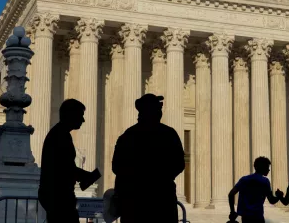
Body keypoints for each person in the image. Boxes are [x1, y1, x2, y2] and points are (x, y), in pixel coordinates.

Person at [112, 94, 185, 223]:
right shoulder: (168, 134)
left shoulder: (128, 136)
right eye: (158, 108)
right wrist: (162, 177)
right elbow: (179, 164)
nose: (160, 112)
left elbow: (117, 167)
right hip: (161, 199)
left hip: (134, 201)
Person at [38, 99, 95, 223]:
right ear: (71, 115)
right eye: (81, 116)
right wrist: (87, 176)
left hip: (57, 196)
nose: (83, 120)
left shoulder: (59, 133)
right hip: (59, 197)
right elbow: (64, 168)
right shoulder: (60, 135)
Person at [228, 157, 282, 223]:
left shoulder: (244, 180)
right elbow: (271, 200)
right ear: (263, 168)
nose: (269, 170)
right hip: (258, 217)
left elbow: (231, 194)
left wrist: (232, 211)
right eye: (267, 167)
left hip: (245, 218)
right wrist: (279, 196)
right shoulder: (265, 181)